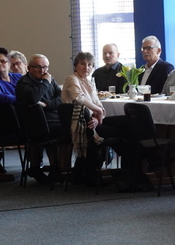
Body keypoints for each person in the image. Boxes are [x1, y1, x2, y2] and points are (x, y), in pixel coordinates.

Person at [63, 52, 126, 185]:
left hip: (91, 120)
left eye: (90, 65)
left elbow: (98, 104)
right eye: (82, 64)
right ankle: (123, 167)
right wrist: (98, 111)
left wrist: (99, 117)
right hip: (80, 124)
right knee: (120, 132)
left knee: (124, 122)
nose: (86, 67)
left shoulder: (89, 82)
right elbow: (78, 98)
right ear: (76, 65)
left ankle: (128, 168)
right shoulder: (72, 79)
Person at [15, 54, 62, 183]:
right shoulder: (24, 83)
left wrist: (47, 104)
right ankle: (55, 168)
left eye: (45, 67)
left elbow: (61, 98)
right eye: (38, 67)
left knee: (71, 126)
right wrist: (45, 83)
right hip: (35, 125)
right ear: (29, 68)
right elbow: (33, 98)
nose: (42, 70)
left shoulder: (50, 79)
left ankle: (57, 169)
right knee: (63, 130)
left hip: (53, 119)